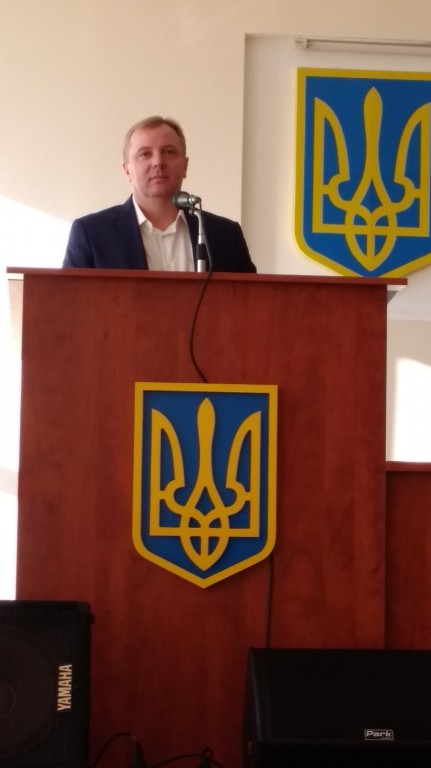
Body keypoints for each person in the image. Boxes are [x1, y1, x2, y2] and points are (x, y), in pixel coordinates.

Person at [62, 116, 256, 273]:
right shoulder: (91, 234)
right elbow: (72, 305)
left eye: (169, 152)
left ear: (185, 166)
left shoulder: (226, 235)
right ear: (126, 170)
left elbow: (252, 303)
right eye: (145, 154)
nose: (158, 162)